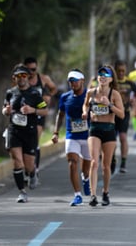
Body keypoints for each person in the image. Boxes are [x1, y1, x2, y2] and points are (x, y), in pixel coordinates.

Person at [2, 64, 48, 203]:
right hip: (14, 131)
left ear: (28, 77)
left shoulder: (34, 94)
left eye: (24, 75)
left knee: (28, 165)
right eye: (18, 76)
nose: (21, 78)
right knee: (17, 161)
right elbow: (4, 109)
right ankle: (22, 192)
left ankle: (32, 173)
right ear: (14, 78)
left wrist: (32, 110)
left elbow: (44, 111)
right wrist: (7, 111)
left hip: (29, 132)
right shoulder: (10, 92)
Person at [82, 65, 124, 206]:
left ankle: (105, 192)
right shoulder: (91, 92)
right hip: (94, 128)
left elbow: (121, 114)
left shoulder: (114, 94)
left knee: (106, 166)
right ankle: (93, 195)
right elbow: (85, 105)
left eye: (106, 75)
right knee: (94, 161)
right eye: (100, 74)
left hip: (109, 129)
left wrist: (109, 105)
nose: (102, 77)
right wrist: (85, 112)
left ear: (111, 79)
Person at [51, 69, 91, 206]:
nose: (72, 83)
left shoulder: (89, 96)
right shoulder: (65, 97)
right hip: (71, 136)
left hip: (88, 137)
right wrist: (56, 132)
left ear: (82, 81)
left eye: (75, 81)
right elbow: (60, 115)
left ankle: (86, 179)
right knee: (72, 163)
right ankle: (77, 195)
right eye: (70, 81)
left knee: (86, 169)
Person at [23, 57, 57, 179]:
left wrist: (48, 96)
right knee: (24, 142)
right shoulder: (21, 79)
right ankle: (27, 168)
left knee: (34, 141)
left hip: (38, 112)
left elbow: (54, 88)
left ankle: (34, 171)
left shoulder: (43, 79)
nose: (31, 72)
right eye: (28, 69)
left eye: (33, 69)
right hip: (24, 114)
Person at [111, 60, 136, 174]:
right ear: (115, 71)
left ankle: (123, 162)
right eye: (119, 71)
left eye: (123, 71)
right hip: (112, 114)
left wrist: (134, 100)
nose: (121, 73)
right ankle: (112, 160)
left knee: (123, 137)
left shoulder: (130, 83)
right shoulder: (111, 82)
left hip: (125, 113)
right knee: (112, 140)